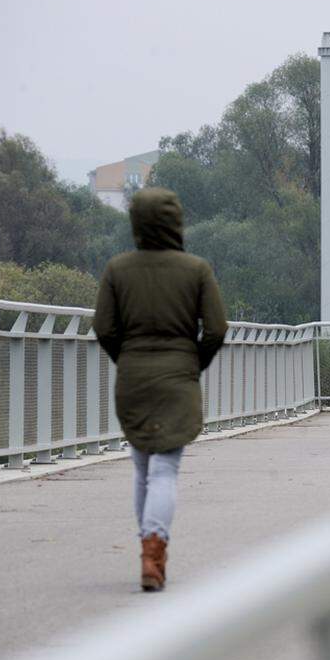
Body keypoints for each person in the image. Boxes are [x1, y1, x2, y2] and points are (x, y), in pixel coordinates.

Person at [93, 188, 228, 592]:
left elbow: (104, 328)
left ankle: (148, 550)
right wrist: (193, 363)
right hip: (177, 378)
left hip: (133, 377)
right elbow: (217, 328)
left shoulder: (118, 269)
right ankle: (154, 551)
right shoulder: (196, 270)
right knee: (165, 468)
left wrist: (127, 358)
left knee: (142, 467)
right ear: (175, 221)